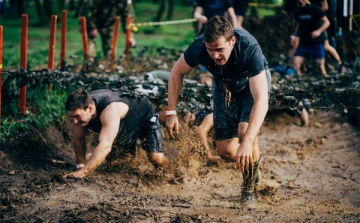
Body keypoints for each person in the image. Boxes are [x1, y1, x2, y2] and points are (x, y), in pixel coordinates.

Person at [165, 16, 271, 204]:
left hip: (250, 84)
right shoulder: (198, 47)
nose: (214, 56)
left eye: (220, 50)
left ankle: (248, 188)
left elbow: (261, 99)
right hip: (224, 85)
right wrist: (171, 112)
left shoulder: (249, 48)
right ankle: (256, 158)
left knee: (245, 132)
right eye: (210, 50)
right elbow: (176, 71)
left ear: (232, 41)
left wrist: (246, 142)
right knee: (226, 151)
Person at [63, 89, 168, 178]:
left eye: (77, 116)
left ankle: (174, 171)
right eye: (72, 117)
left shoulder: (109, 111)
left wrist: (83, 173)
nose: (75, 122)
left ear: (90, 108)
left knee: (156, 158)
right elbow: (78, 138)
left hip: (143, 115)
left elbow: (105, 146)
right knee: (116, 165)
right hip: (124, 123)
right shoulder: (82, 107)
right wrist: (80, 166)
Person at [291, 0, 330, 76]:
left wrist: (318, 31)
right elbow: (298, 25)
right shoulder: (297, 10)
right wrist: (294, 36)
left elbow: (327, 22)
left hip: (316, 42)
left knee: (320, 67)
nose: (300, 1)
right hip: (304, 43)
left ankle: (326, 80)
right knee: (295, 65)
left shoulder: (315, 9)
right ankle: (300, 82)